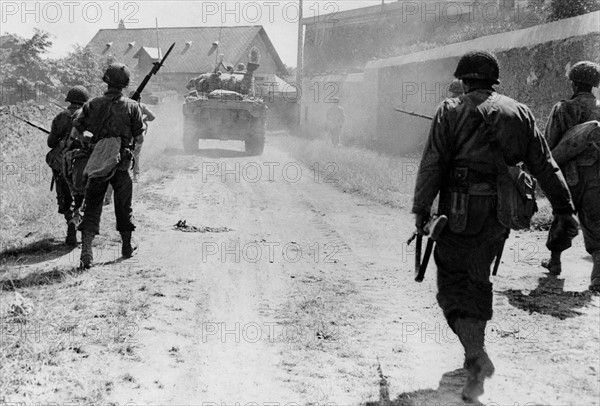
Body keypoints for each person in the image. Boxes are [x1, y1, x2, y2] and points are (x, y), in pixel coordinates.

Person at [412, 50, 577, 402]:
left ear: (464, 79)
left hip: (459, 213)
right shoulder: (520, 112)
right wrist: (564, 208)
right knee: (478, 277)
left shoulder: (449, 110)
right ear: (493, 79)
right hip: (500, 213)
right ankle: (476, 350)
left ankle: (476, 354)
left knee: (452, 287)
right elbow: (545, 165)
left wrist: (421, 210)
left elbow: (432, 164)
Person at [73, 63, 144, 269]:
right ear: (125, 84)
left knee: (92, 206)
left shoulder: (92, 104)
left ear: (106, 81)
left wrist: (92, 143)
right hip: (121, 163)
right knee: (123, 206)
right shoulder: (132, 106)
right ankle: (127, 247)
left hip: (98, 162)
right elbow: (139, 138)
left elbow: (77, 131)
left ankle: (86, 252)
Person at [542, 61, 600, 292]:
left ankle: (555, 262)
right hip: (597, 175)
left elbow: (549, 144)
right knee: (596, 221)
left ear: (574, 83)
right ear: (595, 85)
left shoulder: (563, 108)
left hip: (569, 175)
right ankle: (597, 276)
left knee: (563, 215)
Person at [46, 85, 90, 246]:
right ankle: (76, 219)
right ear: (85, 101)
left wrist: (61, 139)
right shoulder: (88, 116)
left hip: (61, 161)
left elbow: (51, 143)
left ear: (69, 100)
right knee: (82, 195)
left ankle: (69, 220)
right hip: (82, 161)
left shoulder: (60, 117)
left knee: (64, 193)